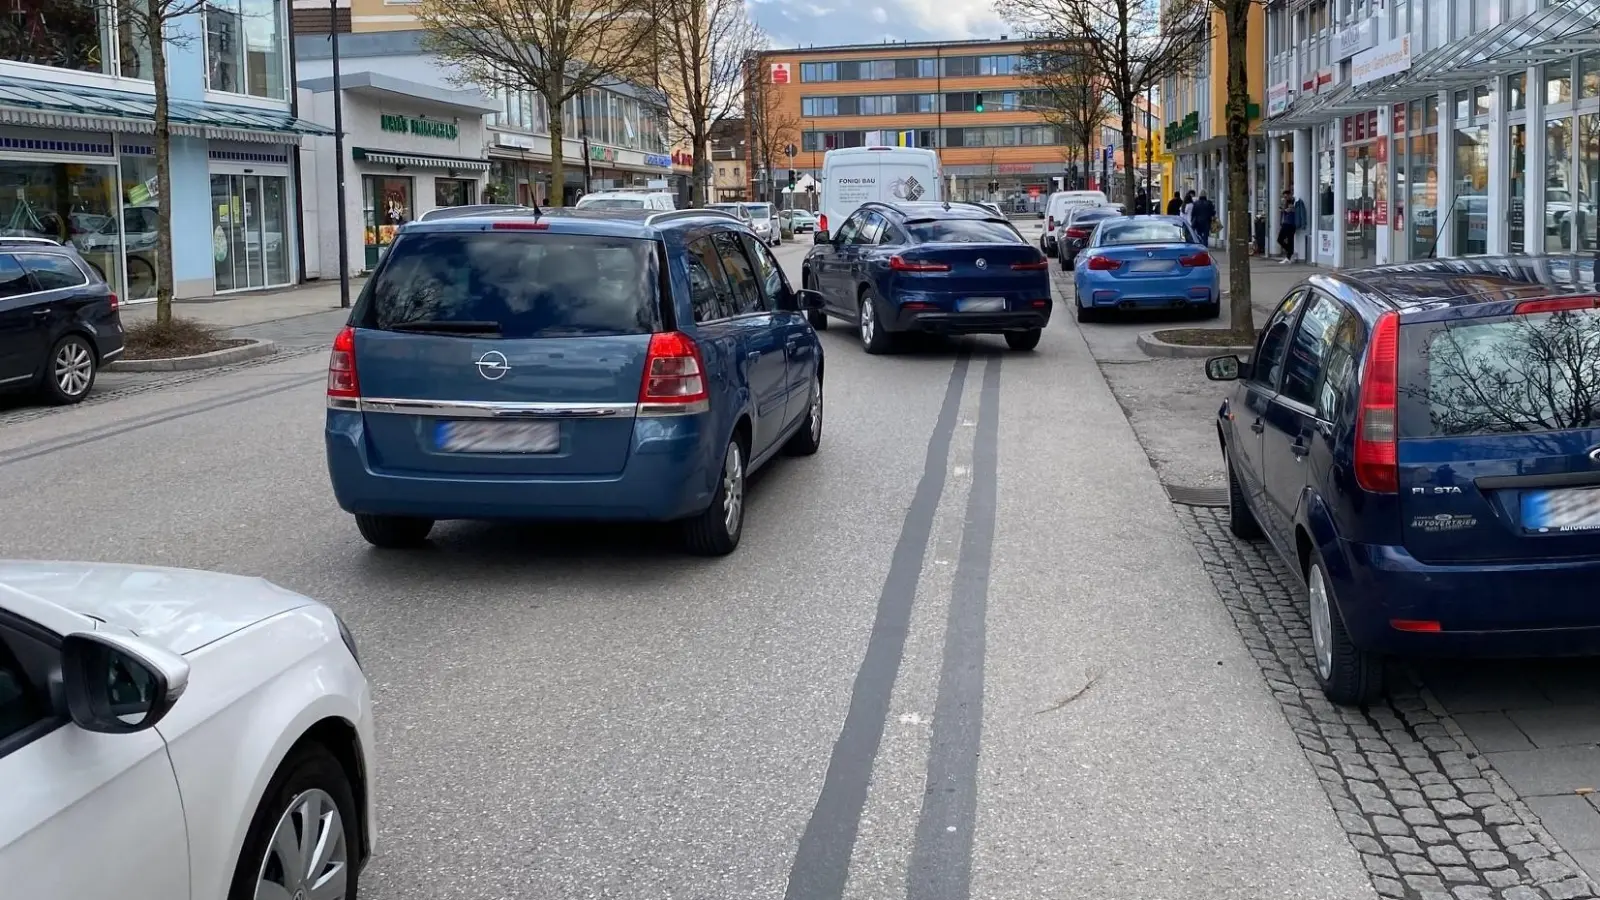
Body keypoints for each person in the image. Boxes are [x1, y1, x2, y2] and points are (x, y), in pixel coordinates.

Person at [1277, 190, 1299, 263]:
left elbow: (1290, 209)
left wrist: (1283, 210)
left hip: (1289, 224)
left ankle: (1289, 255)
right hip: (1286, 223)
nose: (1285, 198)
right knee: (1284, 240)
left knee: (1286, 239)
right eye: (1284, 197)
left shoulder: (1293, 201)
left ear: (1290, 195)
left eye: (1286, 196)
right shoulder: (1286, 202)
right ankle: (1289, 252)